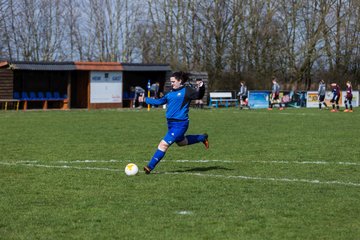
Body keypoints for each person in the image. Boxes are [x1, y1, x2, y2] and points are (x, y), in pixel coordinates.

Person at [143, 71, 209, 174]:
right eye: (171, 82)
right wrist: (145, 99)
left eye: (173, 81)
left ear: (180, 81)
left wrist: (202, 86)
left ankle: (149, 167)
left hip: (180, 124)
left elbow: (199, 95)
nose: (171, 84)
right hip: (171, 124)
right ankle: (202, 137)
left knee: (163, 144)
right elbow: (160, 101)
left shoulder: (187, 91)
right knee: (182, 143)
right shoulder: (170, 93)